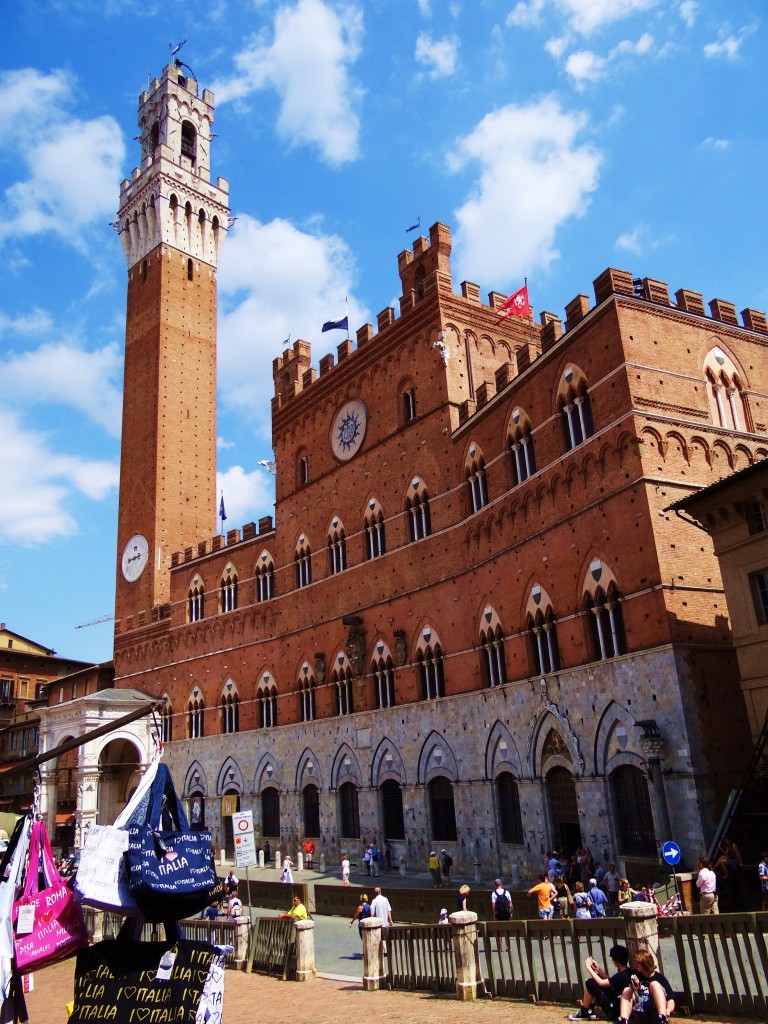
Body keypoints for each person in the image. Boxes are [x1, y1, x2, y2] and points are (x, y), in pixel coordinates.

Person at [568, 943, 632, 1021]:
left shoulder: (621, 976)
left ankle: (584, 1011)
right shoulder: (628, 972)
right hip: (618, 1003)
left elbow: (601, 982)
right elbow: (611, 981)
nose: (612, 960)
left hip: (615, 1012)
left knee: (590, 982)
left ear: (617, 960)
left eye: (613, 958)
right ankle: (590, 1009)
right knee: (597, 979)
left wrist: (588, 967)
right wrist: (598, 969)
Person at [616, 949, 674, 1024]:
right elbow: (618, 979)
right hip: (639, 1008)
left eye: (637, 963)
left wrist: (668, 1010)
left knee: (654, 984)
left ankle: (662, 1018)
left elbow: (671, 999)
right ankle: (624, 1020)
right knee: (627, 990)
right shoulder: (634, 974)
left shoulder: (659, 977)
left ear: (644, 963)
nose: (635, 965)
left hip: (654, 1010)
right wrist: (635, 986)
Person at [491, 878, 512, 950]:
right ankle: (508, 947)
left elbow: (493, 906)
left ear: (495, 885)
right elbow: (510, 904)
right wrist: (511, 913)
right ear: (501, 884)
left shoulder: (494, 893)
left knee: (499, 930)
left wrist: (494, 915)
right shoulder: (506, 892)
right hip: (506, 914)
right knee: (506, 930)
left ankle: (499, 947)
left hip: (499, 914)